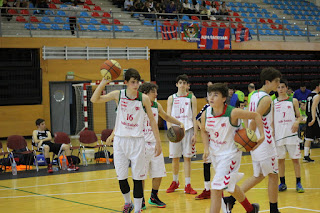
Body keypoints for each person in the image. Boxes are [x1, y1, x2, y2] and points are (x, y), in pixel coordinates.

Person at [91, 69, 162, 213]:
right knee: (122, 177)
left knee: (137, 178)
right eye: (132, 82)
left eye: (137, 82)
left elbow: (153, 122)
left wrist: (158, 142)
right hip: (120, 142)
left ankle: (137, 209)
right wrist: (104, 82)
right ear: (126, 83)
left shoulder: (144, 98)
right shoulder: (118, 95)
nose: (136, 85)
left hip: (137, 142)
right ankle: (127, 202)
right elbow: (94, 99)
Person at [224, 67, 282, 213]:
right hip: (264, 141)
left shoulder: (254, 94)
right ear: (267, 81)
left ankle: (230, 200)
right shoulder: (267, 98)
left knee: (259, 175)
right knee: (274, 176)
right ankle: (274, 210)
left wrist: (250, 140)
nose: (278, 85)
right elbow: (255, 117)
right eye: (276, 82)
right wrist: (251, 136)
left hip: (256, 142)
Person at [201, 83, 264, 213]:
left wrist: (262, 136)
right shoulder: (206, 113)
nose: (211, 97)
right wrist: (206, 148)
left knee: (216, 188)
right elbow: (203, 130)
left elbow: (256, 116)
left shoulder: (233, 112)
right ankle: (251, 209)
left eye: (216, 95)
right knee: (230, 186)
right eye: (210, 95)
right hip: (215, 154)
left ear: (224, 98)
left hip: (230, 155)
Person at [138, 82, 184, 209]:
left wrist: (179, 123)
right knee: (141, 174)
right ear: (145, 93)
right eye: (153, 91)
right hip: (141, 144)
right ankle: (140, 199)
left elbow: (166, 116)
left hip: (155, 143)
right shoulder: (138, 105)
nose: (156, 94)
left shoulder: (156, 105)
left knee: (158, 172)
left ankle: (154, 196)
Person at [166, 74, 198, 195]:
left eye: (185, 83)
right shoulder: (171, 98)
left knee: (187, 158)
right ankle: (175, 182)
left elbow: (194, 116)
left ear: (187, 85)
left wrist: (195, 133)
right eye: (180, 83)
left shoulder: (192, 98)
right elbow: (168, 115)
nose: (183, 85)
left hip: (188, 129)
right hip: (175, 130)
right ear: (177, 84)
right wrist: (170, 131)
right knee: (174, 158)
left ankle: (188, 185)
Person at [273, 79, 304, 193]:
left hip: (291, 134)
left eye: (282, 87)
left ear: (287, 88)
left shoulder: (293, 100)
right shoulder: (273, 102)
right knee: (280, 160)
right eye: (278, 87)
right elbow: (272, 120)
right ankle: (282, 183)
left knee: (295, 160)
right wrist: (272, 132)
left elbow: (299, 116)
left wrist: (297, 122)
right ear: (276, 89)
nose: (280, 89)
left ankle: (298, 183)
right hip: (279, 135)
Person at [304, 80, 320, 162]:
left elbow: (306, 108)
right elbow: (313, 108)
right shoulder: (317, 96)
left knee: (308, 137)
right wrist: (314, 118)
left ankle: (306, 155)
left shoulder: (309, 96)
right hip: (315, 118)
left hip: (309, 117)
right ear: (317, 86)